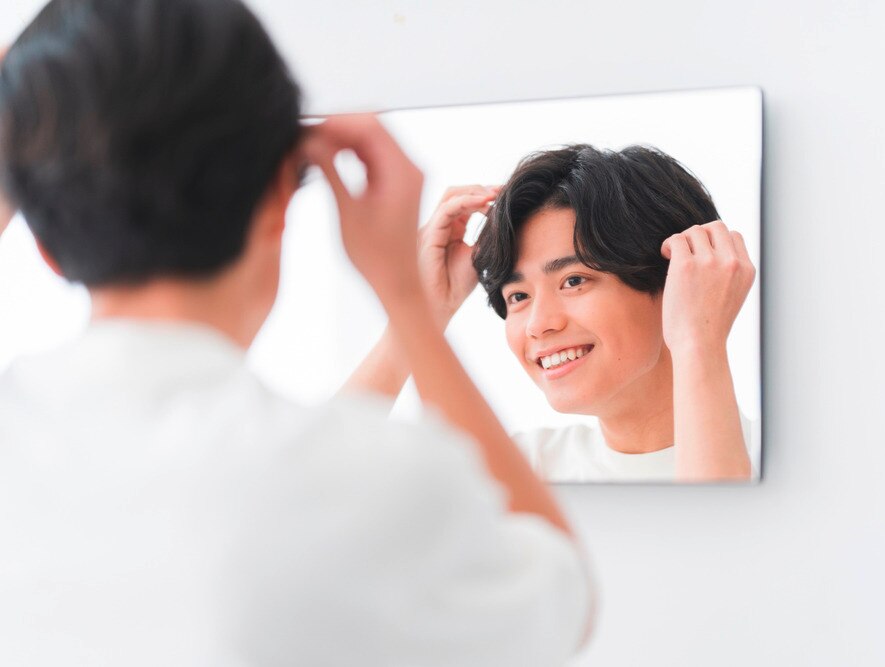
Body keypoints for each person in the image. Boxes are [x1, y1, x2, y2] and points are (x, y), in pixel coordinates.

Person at [0, 1, 591, 664]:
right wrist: (406, 301)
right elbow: (559, 588)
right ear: (282, 199)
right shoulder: (368, 482)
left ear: (42, 240)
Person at [349, 145, 758, 483]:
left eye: (574, 281)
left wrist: (700, 342)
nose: (539, 324)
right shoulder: (522, 472)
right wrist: (416, 315)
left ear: (677, 280)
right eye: (518, 295)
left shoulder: (782, 464)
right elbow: (307, 490)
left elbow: (721, 557)